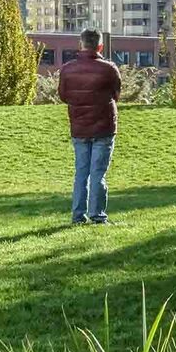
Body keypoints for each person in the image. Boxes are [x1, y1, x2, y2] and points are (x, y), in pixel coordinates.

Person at [58, 28, 122, 225]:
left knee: (81, 173)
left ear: (81, 44)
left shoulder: (68, 69)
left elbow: (63, 96)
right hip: (103, 127)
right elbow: (116, 94)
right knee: (98, 173)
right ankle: (97, 215)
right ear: (100, 46)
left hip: (79, 127)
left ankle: (78, 216)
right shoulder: (109, 69)